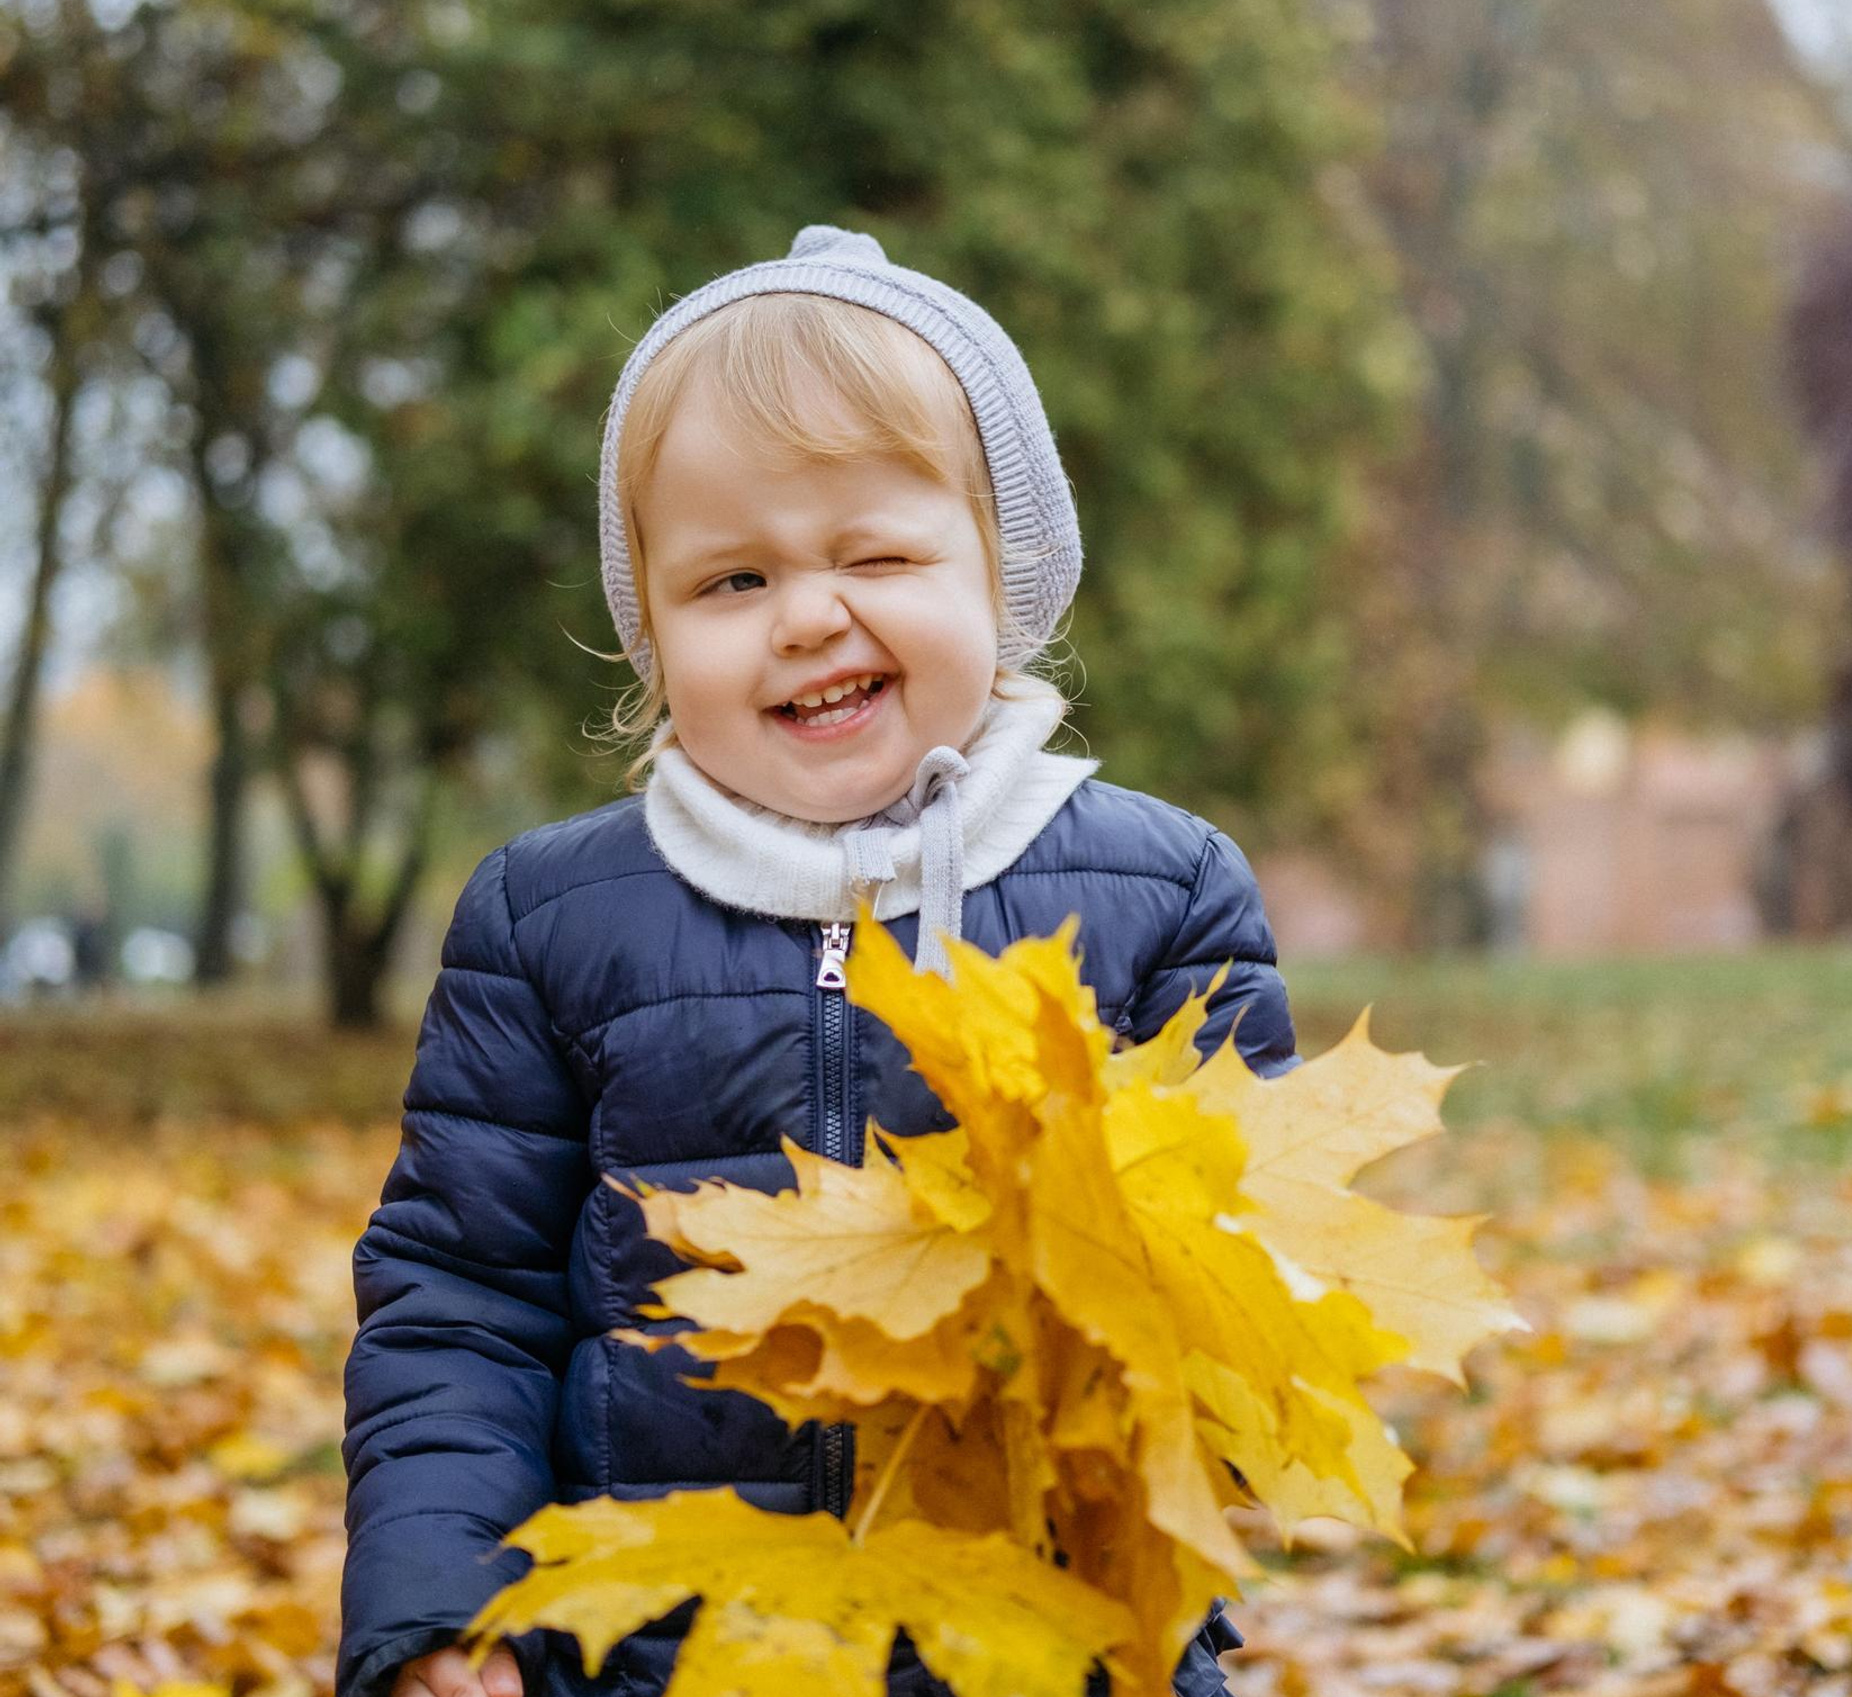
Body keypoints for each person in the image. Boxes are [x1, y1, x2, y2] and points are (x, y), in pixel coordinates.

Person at [337, 225, 1297, 1697]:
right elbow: (462, 1301)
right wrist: (439, 1607)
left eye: (876, 554)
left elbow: (1247, 1284)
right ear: (648, 629)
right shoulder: (550, 922)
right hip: (663, 1655)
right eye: (729, 580)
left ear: (1002, 571)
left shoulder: (1159, 894)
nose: (806, 616)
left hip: (1055, 1648)